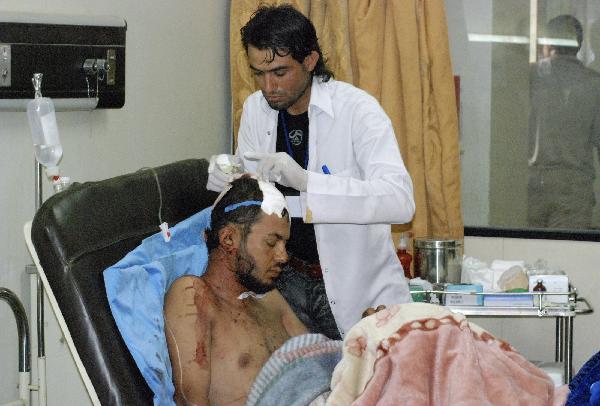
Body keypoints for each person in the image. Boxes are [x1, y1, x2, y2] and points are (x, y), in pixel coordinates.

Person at [208, 4, 415, 336]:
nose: (267, 86)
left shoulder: (358, 111)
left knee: (362, 383)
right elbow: (253, 199)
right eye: (258, 73)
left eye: (279, 72)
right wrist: (228, 178)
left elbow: (400, 201)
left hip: (352, 288)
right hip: (284, 283)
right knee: (300, 382)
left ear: (310, 61)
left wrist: (307, 182)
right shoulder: (256, 111)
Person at [164, 176, 308, 405]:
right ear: (228, 239)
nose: (283, 256)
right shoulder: (195, 295)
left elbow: (322, 365)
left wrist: (370, 337)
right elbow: (190, 401)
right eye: (272, 243)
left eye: (285, 245)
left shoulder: (270, 299)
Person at [527, 15, 600, 229]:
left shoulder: (532, 76)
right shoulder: (594, 83)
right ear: (579, 44)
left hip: (534, 184)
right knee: (567, 255)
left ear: (547, 42)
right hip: (574, 188)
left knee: (530, 255)